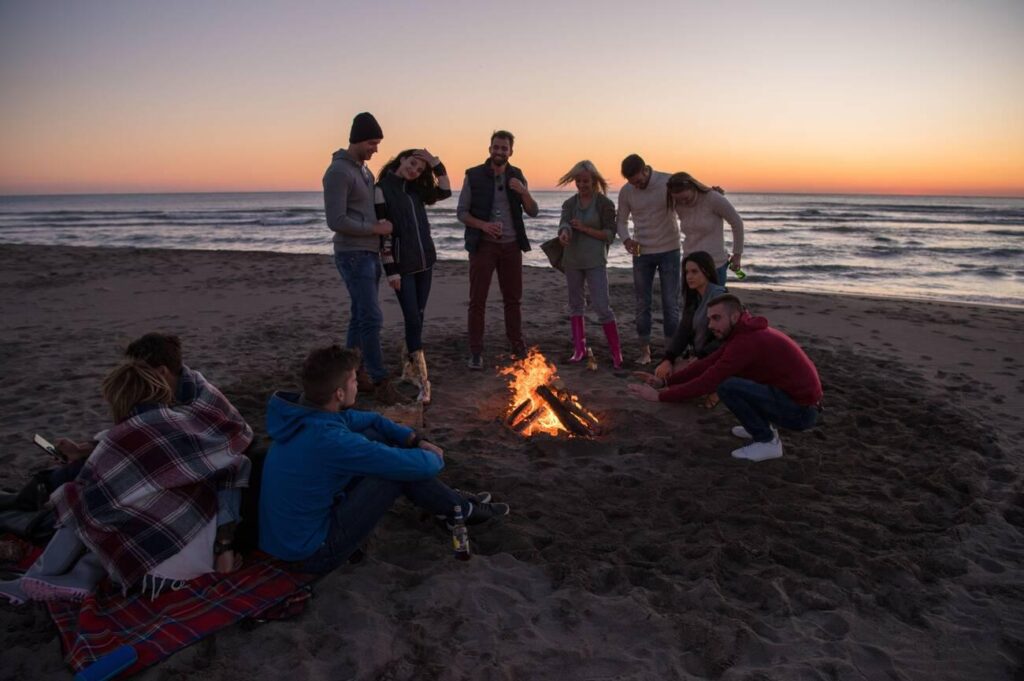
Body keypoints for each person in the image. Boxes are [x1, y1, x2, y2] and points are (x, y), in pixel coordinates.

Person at [1, 359, 252, 604]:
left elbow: (86, 504)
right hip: (197, 564)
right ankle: (78, 578)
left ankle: (33, 581)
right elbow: (236, 465)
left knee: (78, 502)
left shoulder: (122, 437)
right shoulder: (186, 425)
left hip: (147, 573)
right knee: (129, 510)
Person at [258, 345, 510, 574]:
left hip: (286, 539)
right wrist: (432, 454)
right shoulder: (331, 440)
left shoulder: (303, 415)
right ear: (338, 393)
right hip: (310, 553)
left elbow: (371, 420)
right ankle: (460, 509)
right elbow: (417, 465)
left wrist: (412, 439)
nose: (358, 385)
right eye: (355, 380)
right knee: (393, 474)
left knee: (375, 435)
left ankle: (454, 506)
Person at [629, 294, 822, 462]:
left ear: (735, 316)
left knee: (726, 385)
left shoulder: (746, 342)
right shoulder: (743, 334)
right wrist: (665, 382)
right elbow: (706, 364)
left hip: (801, 413)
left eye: (716, 318)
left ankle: (767, 441)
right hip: (794, 401)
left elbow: (707, 381)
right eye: (709, 319)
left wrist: (659, 396)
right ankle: (762, 428)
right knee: (732, 382)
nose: (711, 325)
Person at [323, 111, 402, 404]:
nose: (376, 149)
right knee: (371, 316)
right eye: (372, 142)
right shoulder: (338, 172)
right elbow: (336, 219)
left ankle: (348, 375)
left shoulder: (364, 171)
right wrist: (373, 228)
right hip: (352, 254)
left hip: (369, 253)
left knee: (359, 318)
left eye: (378, 143)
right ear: (357, 140)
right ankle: (379, 378)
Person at [374, 148, 452, 404]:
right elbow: (383, 235)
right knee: (411, 317)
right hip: (403, 268)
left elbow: (446, 189)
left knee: (417, 315)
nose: (415, 171)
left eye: (420, 169)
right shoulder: (382, 189)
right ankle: (423, 379)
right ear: (401, 160)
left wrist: (434, 162)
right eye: (412, 164)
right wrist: (391, 270)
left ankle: (409, 369)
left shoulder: (417, 189)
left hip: (425, 263)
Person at [457, 130, 539, 370]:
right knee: (477, 300)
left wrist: (523, 192)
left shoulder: (517, 175)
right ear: (489, 148)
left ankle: (517, 346)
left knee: (513, 300)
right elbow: (461, 212)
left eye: (504, 148)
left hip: (512, 247)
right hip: (483, 247)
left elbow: (533, 211)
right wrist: (484, 225)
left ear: (511, 151)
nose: (499, 151)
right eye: (496, 147)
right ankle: (475, 351)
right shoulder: (473, 175)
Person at [554, 160, 622, 369]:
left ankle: (616, 353)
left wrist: (584, 229)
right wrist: (564, 232)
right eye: (579, 181)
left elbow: (610, 234)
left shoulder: (604, 204)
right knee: (575, 305)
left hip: (595, 260)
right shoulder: (570, 204)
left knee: (602, 306)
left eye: (586, 181)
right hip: (573, 259)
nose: (582, 185)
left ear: (594, 181)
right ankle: (579, 350)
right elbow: (564, 222)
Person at [617, 154, 681, 365]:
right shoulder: (627, 191)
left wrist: (711, 192)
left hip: (669, 250)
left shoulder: (667, 182)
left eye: (638, 180)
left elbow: (692, 195)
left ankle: (670, 352)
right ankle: (645, 352)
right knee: (642, 303)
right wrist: (626, 240)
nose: (636, 185)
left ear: (645, 170)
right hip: (641, 252)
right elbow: (622, 221)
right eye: (631, 182)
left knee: (670, 303)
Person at [654, 251, 727, 382]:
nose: (689, 277)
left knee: (675, 377)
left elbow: (725, 337)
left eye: (694, 272)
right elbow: (683, 332)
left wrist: (701, 357)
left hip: (716, 357)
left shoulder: (718, 297)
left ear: (707, 272)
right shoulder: (694, 297)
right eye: (687, 272)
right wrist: (668, 358)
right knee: (662, 371)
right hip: (699, 356)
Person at [666, 172, 744, 285]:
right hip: (690, 265)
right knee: (692, 302)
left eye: (685, 198)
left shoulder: (713, 198)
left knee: (714, 301)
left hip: (714, 264)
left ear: (693, 187)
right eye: (678, 199)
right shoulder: (677, 204)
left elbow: (737, 223)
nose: (683, 202)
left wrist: (737, 255)